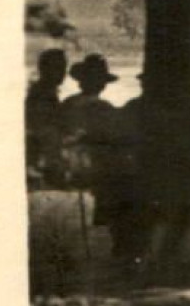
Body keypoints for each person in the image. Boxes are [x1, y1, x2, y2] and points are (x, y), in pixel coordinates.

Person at [59, 54, 141, 260]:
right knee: (125, 181)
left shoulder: (70, 103)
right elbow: (114, 134)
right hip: (95, 162)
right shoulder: (100, 108)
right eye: (98, 81)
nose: (100, 85)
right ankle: (124, 244)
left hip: (80, 159)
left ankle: (122, 242)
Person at [25, 48, 68, 191]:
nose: (63, 73)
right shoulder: (42, 94)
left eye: (63, 68)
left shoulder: (44, 91)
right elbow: (43, 128)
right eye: (58, 68)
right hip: (43, 148)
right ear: (45, 69)